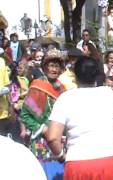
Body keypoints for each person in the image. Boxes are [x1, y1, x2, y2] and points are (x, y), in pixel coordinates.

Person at [46, 57, 113, 180]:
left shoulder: (64, 98)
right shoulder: (108, 94)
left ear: (75, 76)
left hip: (77, 164)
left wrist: (61, 155)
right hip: (109, 160)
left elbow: (52, 138)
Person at [20, 49, 65, 179]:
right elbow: (25, 115)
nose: (54, 69)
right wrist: (42, 128)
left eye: (57, 66)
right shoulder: (37, 87)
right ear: (45, 68)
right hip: (41, 142)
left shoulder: (61, 88)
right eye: (51, 65)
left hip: (59, 140)